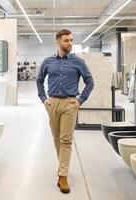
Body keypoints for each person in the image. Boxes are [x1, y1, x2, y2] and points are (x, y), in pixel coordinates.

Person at [36, 29, 94, 194]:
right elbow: (39, 80)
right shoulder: (48, 61)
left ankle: (63, 176)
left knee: (66, 140)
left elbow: (90, 82)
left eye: (71, 40)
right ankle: (63, 166)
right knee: (56, 139)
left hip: (70, 104)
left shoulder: (79, 62)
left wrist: (79, 101)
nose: (70, 43)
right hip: (52, 103)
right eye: (66, 40)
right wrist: (43, 99)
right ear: (58, 42)